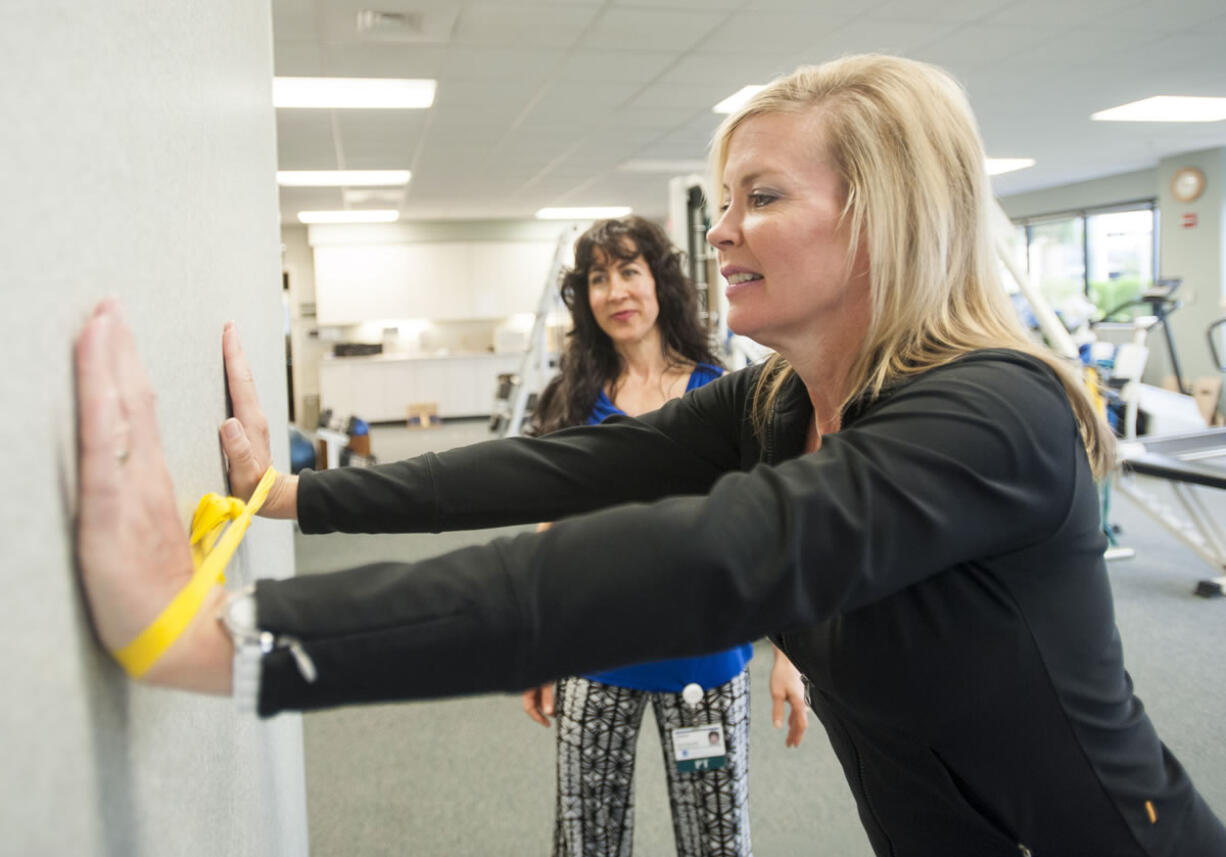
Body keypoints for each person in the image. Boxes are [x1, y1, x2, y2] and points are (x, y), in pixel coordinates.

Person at [74, 53, 1226, 856]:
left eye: (759, 195)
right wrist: (287, 492)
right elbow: (555, 469)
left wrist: (223, 638)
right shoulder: (778, 404)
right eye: (723, 197)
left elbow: (696, 562)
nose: (716, 230)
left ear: (881, 218)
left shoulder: (991, 416)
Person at [520, 215, 806, 857]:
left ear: (658, 282)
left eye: (629, 270)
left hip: (704, 662)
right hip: (593, 658)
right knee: (587, 844)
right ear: (586, 299)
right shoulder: (574, 400)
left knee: (717, 846)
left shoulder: (723, 393)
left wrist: (792, 652)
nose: (616, 290)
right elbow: (551, 524)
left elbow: (777, 524)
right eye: (598, 277)